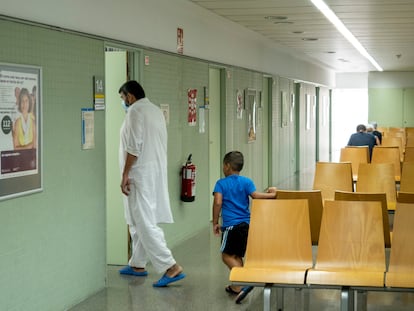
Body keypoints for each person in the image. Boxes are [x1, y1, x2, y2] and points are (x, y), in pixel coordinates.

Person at [118, 80, 185, 287]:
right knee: (136, 220)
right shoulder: (155, 110)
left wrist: (125, 174)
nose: (123, 103)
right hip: (153, 173)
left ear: (130, 97)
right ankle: (137, 263)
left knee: (145, 221)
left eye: (122, 98)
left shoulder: (135, 112)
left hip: (139, 175)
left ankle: (170, 266)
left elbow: (134, 147)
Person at [212, 151, 277, 304]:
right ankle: (237, 287)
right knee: (237, 256)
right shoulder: (247, 182)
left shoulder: (221, 183)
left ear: (227, 166)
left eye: (223, 165)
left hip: (231, 226)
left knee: (226, 256)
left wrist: (215, 221)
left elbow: (218, 202)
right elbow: (255, 195)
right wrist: (272, 195)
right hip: (246, 226)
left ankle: (245, 279)